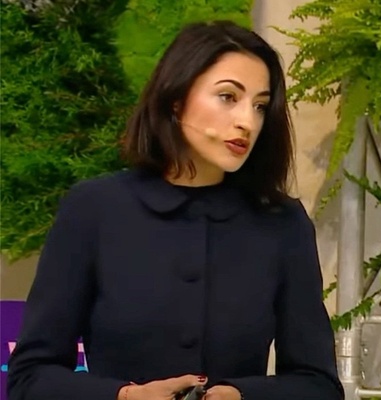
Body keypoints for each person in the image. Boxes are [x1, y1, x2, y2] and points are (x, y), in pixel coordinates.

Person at [7, 20, 345, 400]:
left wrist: (241, 395)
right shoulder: (94, 209)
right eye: (228, 97)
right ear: (176, 99)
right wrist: (126, 397)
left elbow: (318, 385)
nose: (247, 121)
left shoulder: (282, 223)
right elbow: (30, 378)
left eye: (260, 106)